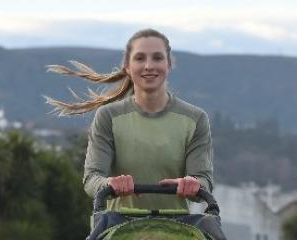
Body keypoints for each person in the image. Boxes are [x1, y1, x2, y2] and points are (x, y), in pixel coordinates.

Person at [46, 28, 225, 239]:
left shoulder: (195, 119)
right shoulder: (108, 117)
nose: (149, 65)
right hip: (118, 229)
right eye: (140, 58)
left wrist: (193, 184)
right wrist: (109, 184)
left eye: (157, 58)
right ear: (128, 67)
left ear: (169, 64)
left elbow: (203, 180)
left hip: (177, 230)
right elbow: (92, 179)